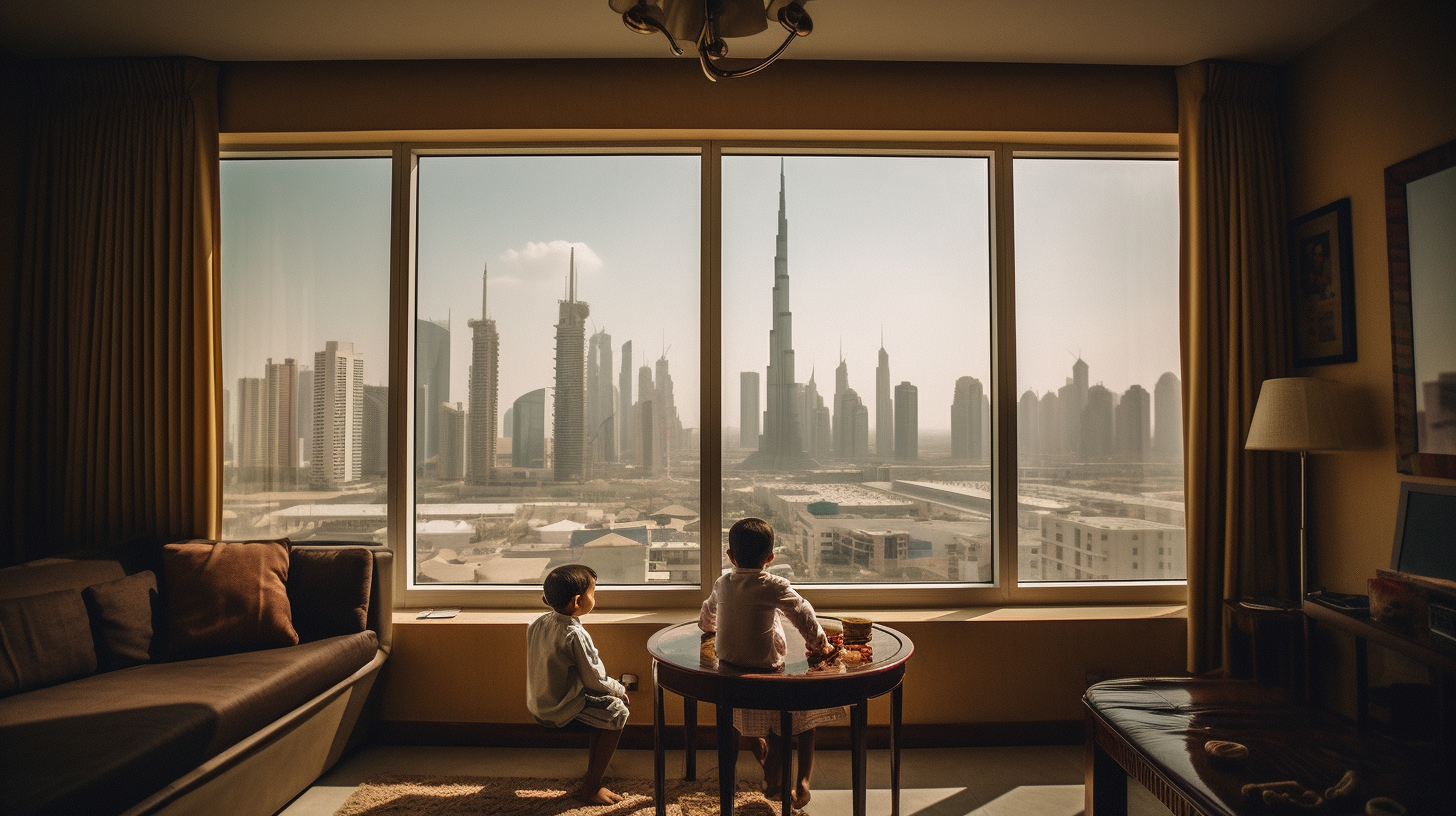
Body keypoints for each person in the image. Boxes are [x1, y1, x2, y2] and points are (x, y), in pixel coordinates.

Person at [699, 517, 843, 808]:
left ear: (730, 556)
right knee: (786, 722)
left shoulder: (723, 582)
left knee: (741, 718)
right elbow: (803, 613)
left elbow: (707, 614)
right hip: (767, 667)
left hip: (729, 668)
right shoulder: (773, 584)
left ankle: (765, 766)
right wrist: (821, 645)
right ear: (770, 557)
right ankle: (780, 779)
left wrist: (710, 627)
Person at [526, 564, 630, 804]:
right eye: (593, 593)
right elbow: (596, 681)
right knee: (617, 712)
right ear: (576, 602)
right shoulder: (574, 634)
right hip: (560, 709)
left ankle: (593, 774)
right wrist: (621, 689)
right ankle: (592, 786)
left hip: (539, 702)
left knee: (606, 708)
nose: (594, 598)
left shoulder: (538, 623)